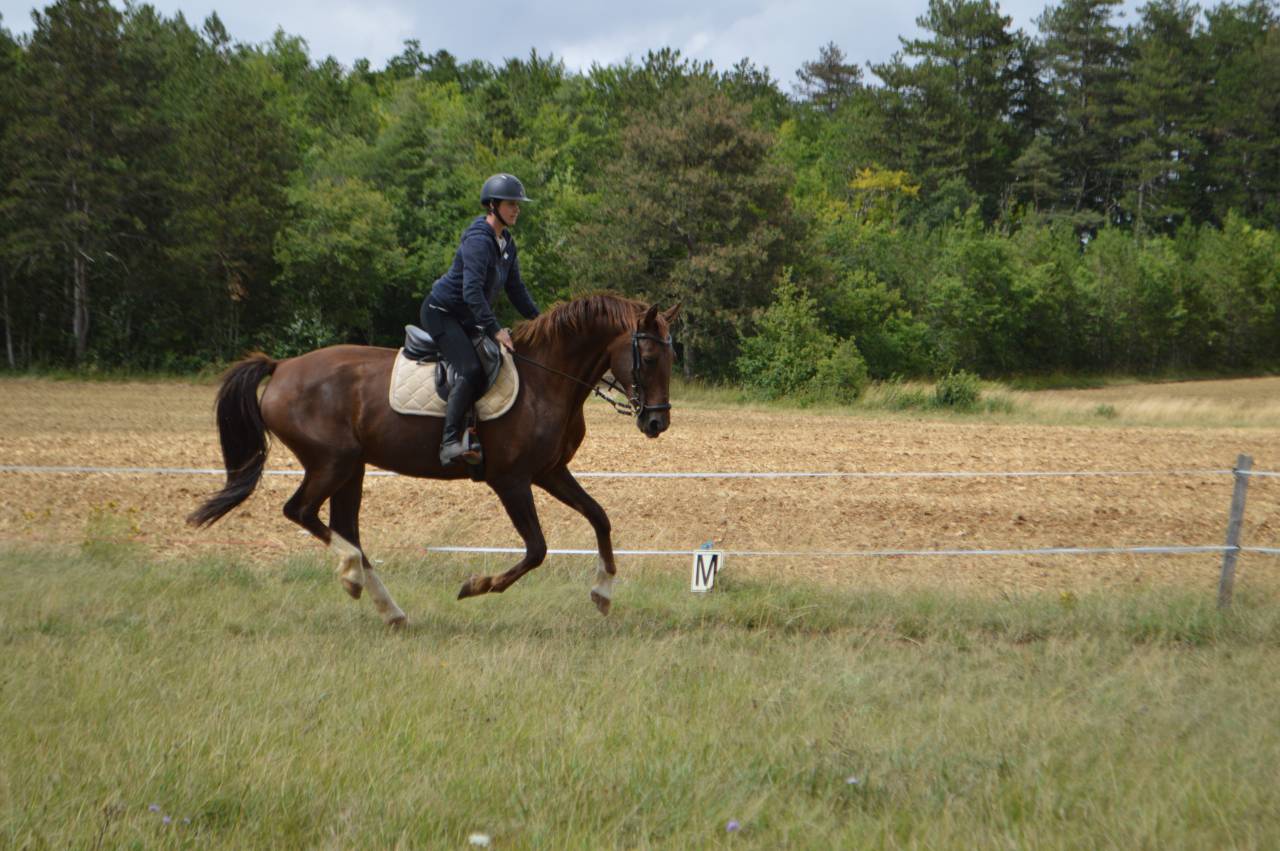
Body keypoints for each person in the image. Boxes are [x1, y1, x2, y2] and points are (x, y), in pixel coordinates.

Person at [420, 173, 541, 466]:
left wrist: (541, 321)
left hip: (467, 316)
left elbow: (516, 289)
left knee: (495, 363)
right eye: (511, 204)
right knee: (471, 369)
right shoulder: (478, 240)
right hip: (442, 313)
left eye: (518, 204)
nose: (516, 209)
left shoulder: (506, 244)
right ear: (493, 206)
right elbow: (472, 292)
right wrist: (496, 330)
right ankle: (449, 442)